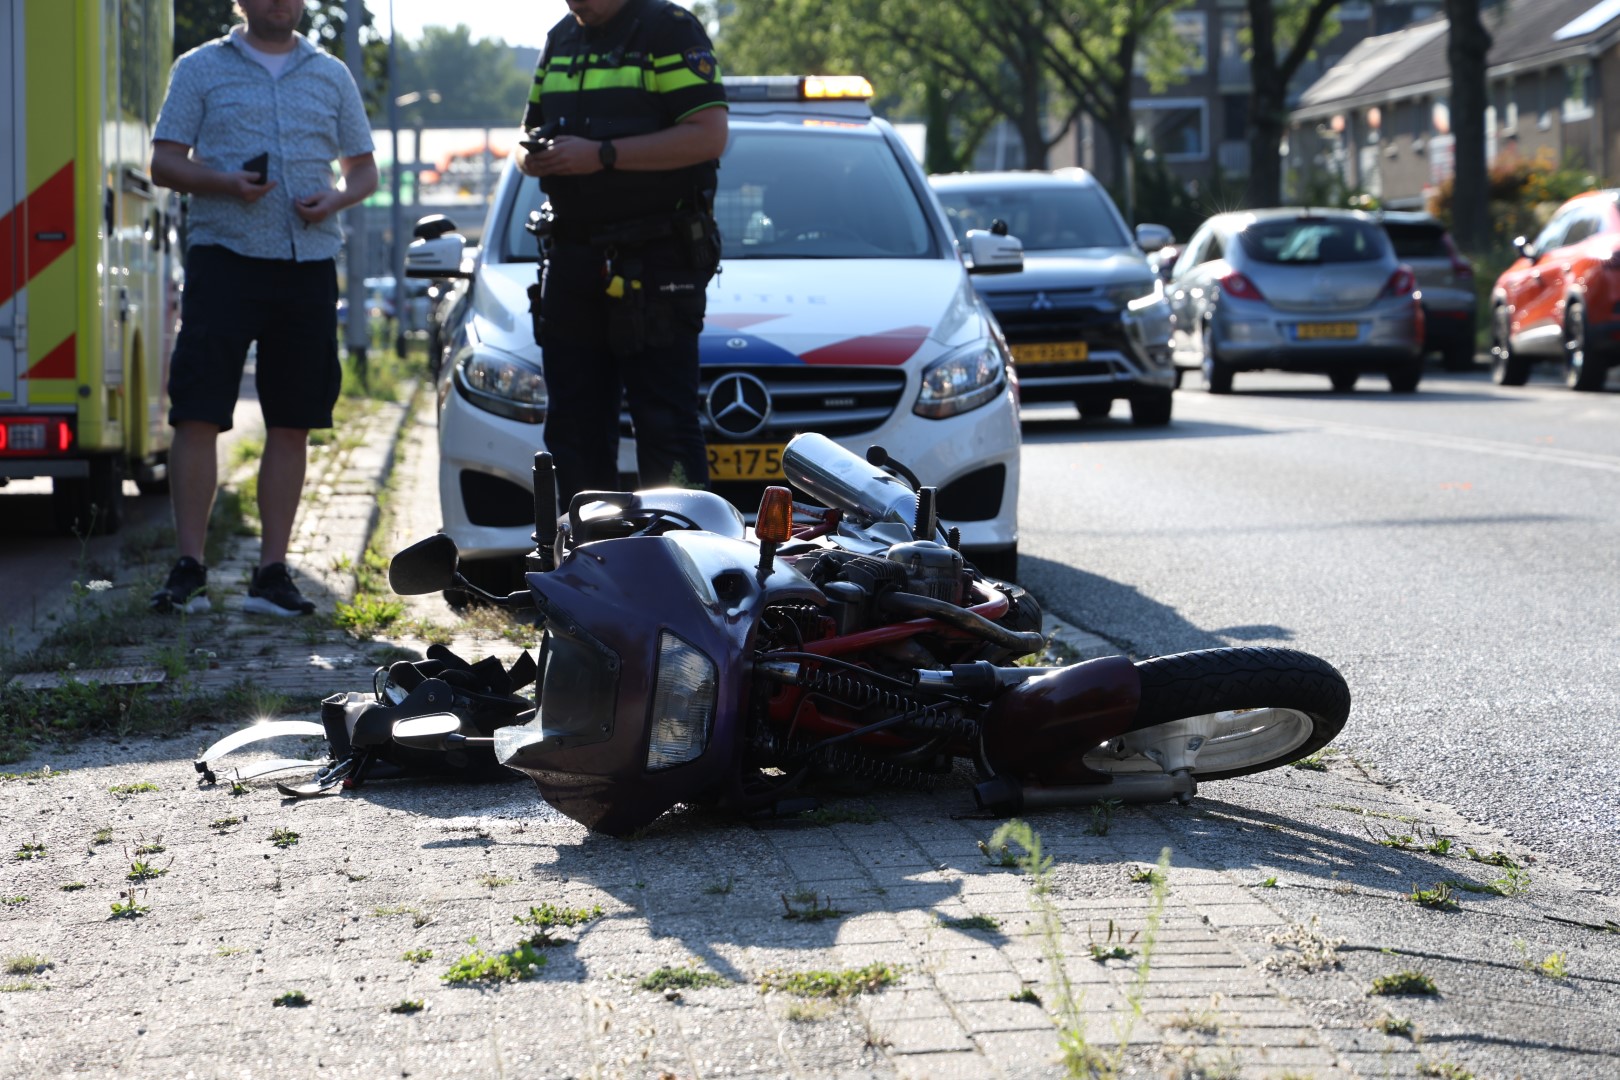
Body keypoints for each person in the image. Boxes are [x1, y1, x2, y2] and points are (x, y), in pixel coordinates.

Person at [147, 0, 377, 616]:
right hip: (224, 256)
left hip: (308, 264)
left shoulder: (330, 73)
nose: (280, 2)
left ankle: (272, 572)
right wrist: (224, 182)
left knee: (292, 419)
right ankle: (189, 568)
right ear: (241, 2)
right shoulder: (199, 67)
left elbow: (365, 171)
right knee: (197, 411)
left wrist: (334, 199)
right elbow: (163, 161)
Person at [518, 0, 728, 509]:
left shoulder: (667, 30)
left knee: (665, 425)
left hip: (656, 260)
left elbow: (709, 134)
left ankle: (682, 561)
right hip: (572, 258)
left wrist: (602, 155)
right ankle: (589, 566)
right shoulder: (560, 38)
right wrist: (534, 156)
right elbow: (524, 140)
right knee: (572, 428)